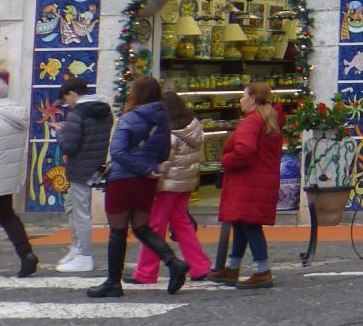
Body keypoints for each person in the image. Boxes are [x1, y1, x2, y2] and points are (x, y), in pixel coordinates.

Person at [88, 77, 190, 298]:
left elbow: (117, 152)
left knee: (117, 231)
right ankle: (172, 261)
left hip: (124, 179)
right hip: (147, 181)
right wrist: (147, 168)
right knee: (142, 228)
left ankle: (113, 282)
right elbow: (163, 153)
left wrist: (140, 167)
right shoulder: (163, 121)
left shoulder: (130, 118)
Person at [130, 92, 211, 285]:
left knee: (155, 227)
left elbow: (164, 164)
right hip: (185, 184)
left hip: (167, 186)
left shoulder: (169, 134)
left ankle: (146, 272)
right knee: (181, 223)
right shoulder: (193, 128)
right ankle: (199, 266)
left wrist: (152, 184)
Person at [209, 82, 285, 289]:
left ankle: (262, 270)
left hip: (248, 182)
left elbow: (245, 150)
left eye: (244, 96)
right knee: (241, 223)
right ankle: (232, 268)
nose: (241, 99)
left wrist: (226, 160)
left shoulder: (252, 121)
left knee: (249, 225)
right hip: (258, 181)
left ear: (252, 98)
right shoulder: (268, 119)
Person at [55, 76, 113, 274]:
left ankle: (84, 255)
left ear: (72, 94)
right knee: (72, 206)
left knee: (80, 211)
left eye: (66, 98)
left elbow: (69, 146)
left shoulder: (77, 115)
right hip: (95, 165)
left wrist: (59, 133)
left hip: (80, 167)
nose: (66, 103)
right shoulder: (105, 112)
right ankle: (76, 247)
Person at [0, 76, 37, 277]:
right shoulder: (17, 116)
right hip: (5, 178)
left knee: (6, 216)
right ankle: (26, 254)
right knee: (7, 216)